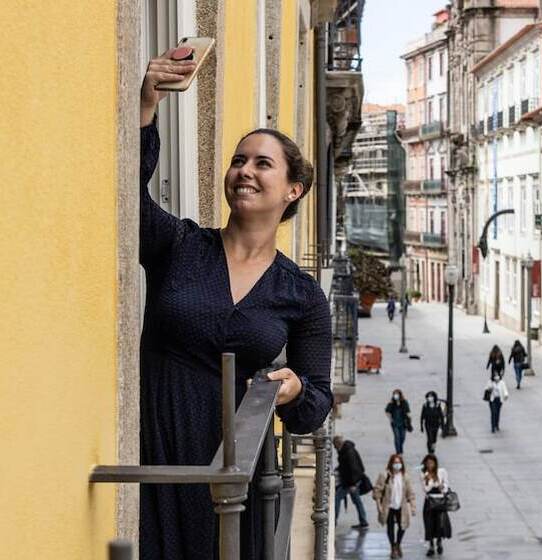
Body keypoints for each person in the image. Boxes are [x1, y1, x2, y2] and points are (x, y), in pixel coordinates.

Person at [138, 52, 332, 559]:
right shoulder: (179, 246)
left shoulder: (302, 295)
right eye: (238, 160)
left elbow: (316, 406)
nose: (244, 171)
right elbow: (123, 202)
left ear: (294, 189)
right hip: (156, 448)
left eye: (261, 163)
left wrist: (293, 390)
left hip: (232, 468)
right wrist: (146, 107)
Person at [373, 454, 416, 559]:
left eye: (399, 462)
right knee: (390, 527)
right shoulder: (384, 475)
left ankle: (398, 544)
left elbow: (410, 493)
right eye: (395, 462)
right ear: (391, 464)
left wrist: (413, 506)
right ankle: (393, 547)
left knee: (403, 526)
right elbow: (377, 491)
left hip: (401, 506)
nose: (397, 465)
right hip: (389, 506)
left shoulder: (405, 476)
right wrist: (379, 506)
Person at [333, 435, 369, 529]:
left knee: (336, 498)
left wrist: (353, 484)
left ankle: (333, 521)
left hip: (351, 482)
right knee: (357, 501)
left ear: (338, 444)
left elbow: (353, 468)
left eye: (334, 445)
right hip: (351, 481)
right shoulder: (346, 450)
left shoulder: (348, 452)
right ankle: (363, 521)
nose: (334, 447)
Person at [421, 454, 451, 557]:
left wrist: (440, 484)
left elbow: (446, 486)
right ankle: (431, 545)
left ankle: (439, 542)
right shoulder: (423, 474)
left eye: (432, 463)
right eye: (428, 463)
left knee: (440, 524)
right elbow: (425, 489)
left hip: (440, 502)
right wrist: (431, 481)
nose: (430, 465)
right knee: (429, 524)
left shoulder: (442, 471)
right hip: (429, 503)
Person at [385, 389, 412, 454]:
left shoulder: (404, 402)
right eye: (394, 394)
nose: (395, 396)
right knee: (397, 437)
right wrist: (390, 419)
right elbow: (387, 411)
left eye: (397, 394)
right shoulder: (391, 403)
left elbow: (408, 412)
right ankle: (398, 452)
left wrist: (409, 420)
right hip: (395, 423)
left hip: (403, 423)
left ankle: (400, 447)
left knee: (402, 437)